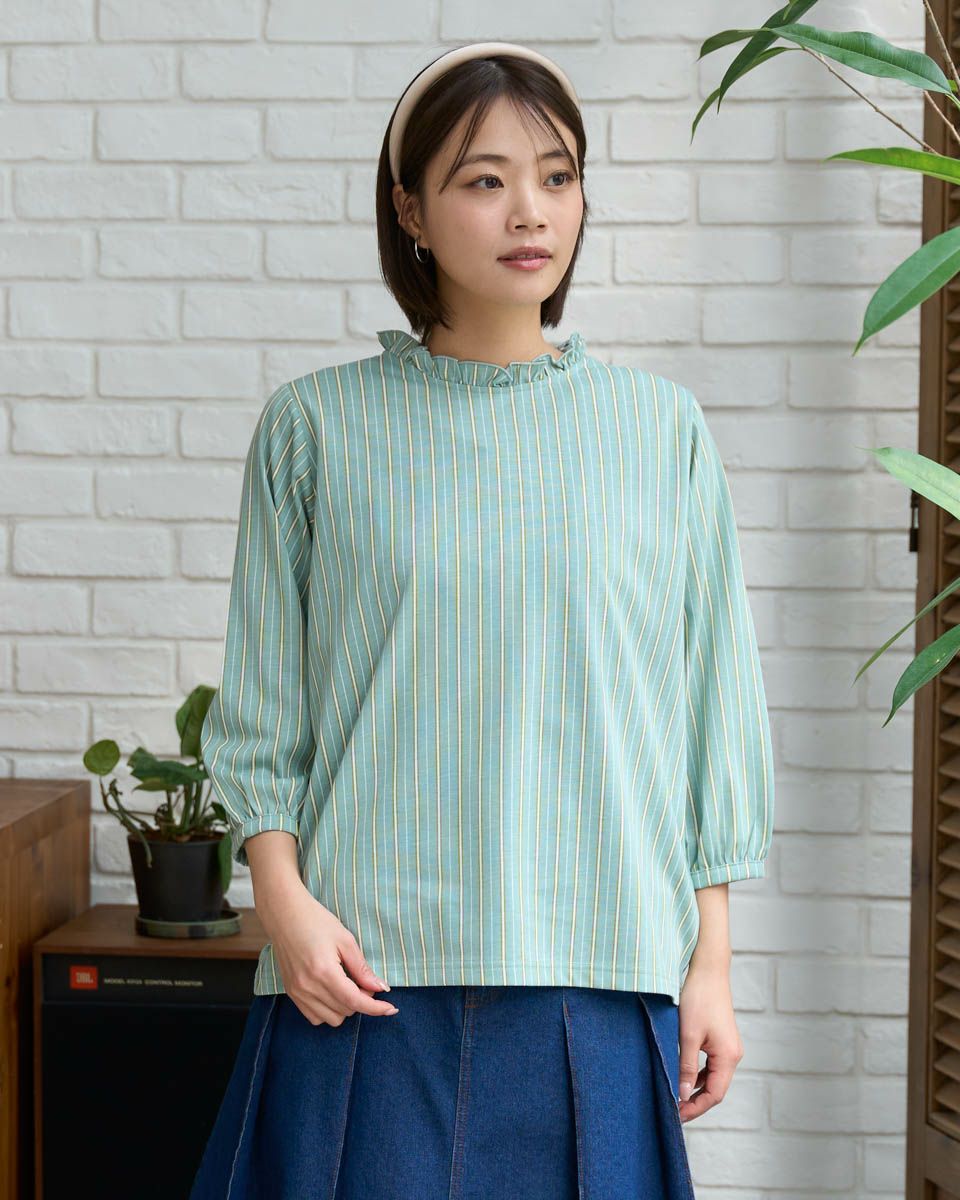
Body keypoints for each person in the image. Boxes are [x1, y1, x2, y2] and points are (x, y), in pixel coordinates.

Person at [189, 40, 774, 1200]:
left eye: (557, 177)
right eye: (483, 179)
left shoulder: (659, 431)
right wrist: (282, 904)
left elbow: (711, 713)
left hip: (600, 967)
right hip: (359, 970)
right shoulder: (315, 429)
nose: (530, 212)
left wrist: (710, 963)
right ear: (409, 208)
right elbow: (263, 709)